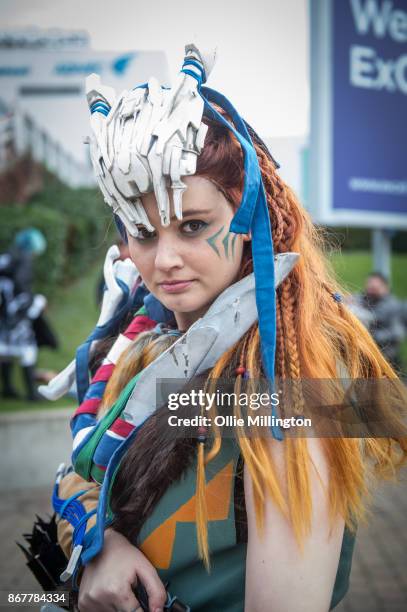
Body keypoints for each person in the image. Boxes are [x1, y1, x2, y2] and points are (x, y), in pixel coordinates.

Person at [49, 44, 407, 612]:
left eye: (193, 225)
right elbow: (78, 471)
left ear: (249, 219)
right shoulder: (137, 343)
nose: (164, 258)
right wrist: (100, 548)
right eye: (143, 233)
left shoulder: (293, 370)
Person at [349, 272, 405, 372]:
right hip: (363, 358)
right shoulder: (362, 299)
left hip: (386, 360)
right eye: (369, 287)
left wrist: (370, 336)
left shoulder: (393, 307)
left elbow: (397, 334)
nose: (371, 290)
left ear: (385, 288)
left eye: (375, 288)